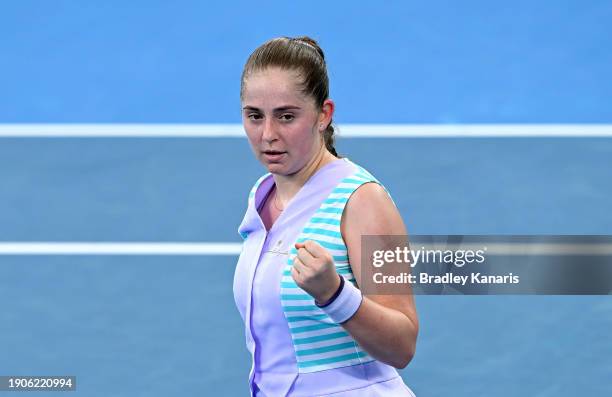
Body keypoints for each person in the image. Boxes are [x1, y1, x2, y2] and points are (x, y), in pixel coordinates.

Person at [233, 36, 418, 396]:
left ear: (324, 115)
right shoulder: (261, 195)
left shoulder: (364, 200)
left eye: (287, 116)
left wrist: (335, 294)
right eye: (254, 116)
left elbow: (402, 344)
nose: (268, 135)